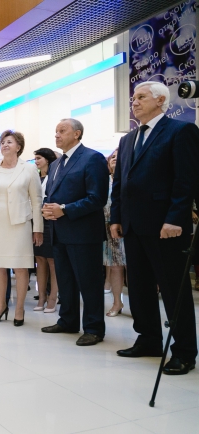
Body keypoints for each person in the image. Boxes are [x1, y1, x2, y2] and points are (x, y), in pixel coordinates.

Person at [110, 81, 199, 374]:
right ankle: (148, 339)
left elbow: (186, 180)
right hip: (133, 225)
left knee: (173, 290)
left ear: (160, 100)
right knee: (139, 287)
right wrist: (116, 217)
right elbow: (120, 183)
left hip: (166, 226)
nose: (134, 102)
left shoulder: (180, 131)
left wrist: (175, 218)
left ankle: (184, 351)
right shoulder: (128, 139)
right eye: (133, 97)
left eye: (141, 97)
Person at [41, 118, 109, 346]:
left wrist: (64, 209)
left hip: (83, 232)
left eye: (62, 130)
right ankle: (68, 320)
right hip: (59, 231)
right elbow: (52, 195)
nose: (57, 135)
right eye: (56, 131)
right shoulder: (55, 164)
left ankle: (94, 328)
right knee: (65, 280)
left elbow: (97, 198)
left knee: (89, 282)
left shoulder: (92, 158)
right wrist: (47, 209)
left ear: (77, 133)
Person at [0, 131, 43, 325]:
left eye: (9, 142)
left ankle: (19, 309)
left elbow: (36, 201)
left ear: (18, 147)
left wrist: (38, 229)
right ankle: (1, 306)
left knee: (20, 268)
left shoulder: (29, 169)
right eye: (2, 142)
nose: (5, 145)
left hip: (19, 224)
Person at [33, 148, 59, 313]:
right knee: (40, 259)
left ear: (48, 159)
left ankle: (53, 297)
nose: (36, 161)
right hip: (37, 221)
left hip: (51, 221)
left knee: (52, 261)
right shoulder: (35, 177)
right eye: (35, 158)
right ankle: (41, 296)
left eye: (39, 158)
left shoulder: (55, 175)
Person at [103, 149, 126, 317]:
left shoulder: (129, 178)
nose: (115, 159)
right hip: (108, 229)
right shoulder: (104, 182)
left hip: (128, 228)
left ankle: (140, 305)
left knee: (134, 268)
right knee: (115, 267)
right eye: (113, 156)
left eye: (119, 157)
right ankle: (117, 302)